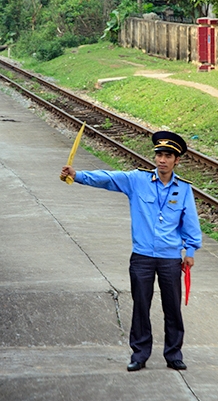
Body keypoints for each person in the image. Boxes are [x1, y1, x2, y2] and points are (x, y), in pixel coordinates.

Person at [60, 131, 202, 372]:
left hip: (169, 258)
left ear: (177, 160)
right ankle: (140, 354)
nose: (162, 160)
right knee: (140, 306)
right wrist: (78, 175)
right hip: (143, 257)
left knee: (172, 307)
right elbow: (107, 178)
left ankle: (174, 354)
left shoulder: (184, 190)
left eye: (168, 156)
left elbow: (190, 224)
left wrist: (189, 251)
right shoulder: (137, 180)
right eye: (159, 155)